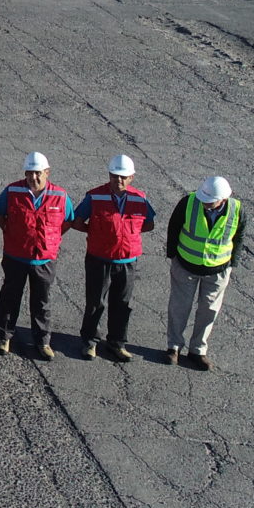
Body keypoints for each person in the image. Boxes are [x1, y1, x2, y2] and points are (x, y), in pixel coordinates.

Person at [70, 154, 156, 361]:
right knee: (95, 302)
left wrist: (128, 236)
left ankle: (117, 343)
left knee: (122, 304)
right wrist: (98, 233)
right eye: (115, 176)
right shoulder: (95, 196)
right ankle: (90, 342)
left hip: (127, 260)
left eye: (123, 177)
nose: (119, 180)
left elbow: (149, 223)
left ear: (132, 177)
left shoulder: (140, 198)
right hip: (99, 259)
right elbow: (77, 220)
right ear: (109, 175)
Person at [0, 152, 71, 359]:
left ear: (47, 172)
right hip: (16, 256)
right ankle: (3, 337)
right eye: (29, 173)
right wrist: (12, 234)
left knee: (41, 302)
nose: (33, 178)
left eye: (38, 173)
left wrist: (51, 238)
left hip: (44, 259)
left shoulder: (60, 196)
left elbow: (68, 220)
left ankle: (42, 341)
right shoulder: (12, 191)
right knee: (10, 298)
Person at [165, 176, 245, 371]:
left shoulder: (236, 209)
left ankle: (198, 350)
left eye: (210, 202)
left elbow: (239, 235)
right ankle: (173, 347)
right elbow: (174, 227)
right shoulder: (189, 202)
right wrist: (173, 255)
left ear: (223, 199)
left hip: (217, 269)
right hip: (185, 265)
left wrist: (232, 262)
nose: (205, 204)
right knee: (179, 307)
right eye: (204, 200)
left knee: (209, 311)